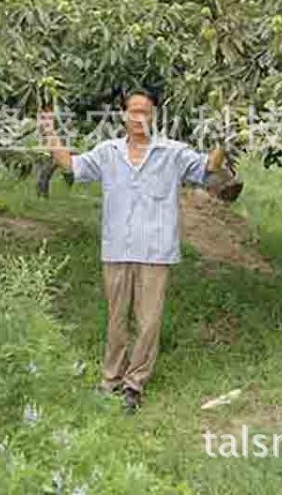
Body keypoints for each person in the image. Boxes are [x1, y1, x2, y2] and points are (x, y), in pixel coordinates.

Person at [37, 88, 226, 413]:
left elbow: (207, 166)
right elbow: (71, 165)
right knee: (116, 320)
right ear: (123, 115)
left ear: (153, 116)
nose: (139, 118)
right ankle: (110, 379)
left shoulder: (171, 152)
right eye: (133, 111)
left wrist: (227, 132)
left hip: (156, 251)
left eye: (145, 112)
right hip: (117, 248)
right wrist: (49, 131)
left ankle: (134, 384)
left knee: (148, 321)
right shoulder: (108, 152)